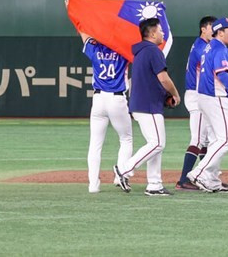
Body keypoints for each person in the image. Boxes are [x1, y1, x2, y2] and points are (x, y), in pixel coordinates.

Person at [114, 18, 180, 196]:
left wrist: (165, 96)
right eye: (160, 30)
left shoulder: (141, 52)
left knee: (154, 144)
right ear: (152, 33)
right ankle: (125, 170)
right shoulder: (152, 51)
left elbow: (151, 81)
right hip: (147, 105)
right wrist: (174, 93)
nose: (163, 33)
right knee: (157, 143)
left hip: (143, 103)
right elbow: (164, 79)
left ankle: (154, 184)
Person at [187, 18, 228, 193]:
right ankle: (200, 173)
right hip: (216, 97)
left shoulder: (210, 47)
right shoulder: (220, 49)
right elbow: (222, 75)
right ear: (220, 32)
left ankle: (212, 180)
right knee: (226, 140)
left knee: (216, 140)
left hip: (204, 97)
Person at [75, 25, 132, 194]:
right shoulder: (124, 51)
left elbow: (84, 34)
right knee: (126, 139)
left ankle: (93, 185)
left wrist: (75, 14)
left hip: (98, 99)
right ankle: (120, 175)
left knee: (95, 144)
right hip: (117, 99)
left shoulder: (96, 48)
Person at [176, 16, 215, 190]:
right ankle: (183, 179)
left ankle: (205, 177)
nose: (215, 30)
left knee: (204, 141)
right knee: (198, 140)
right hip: (196, 96)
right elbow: (211, 63)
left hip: (198, 95)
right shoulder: (201, 46)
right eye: (212, 27)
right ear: (203, 29)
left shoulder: (201, 45)